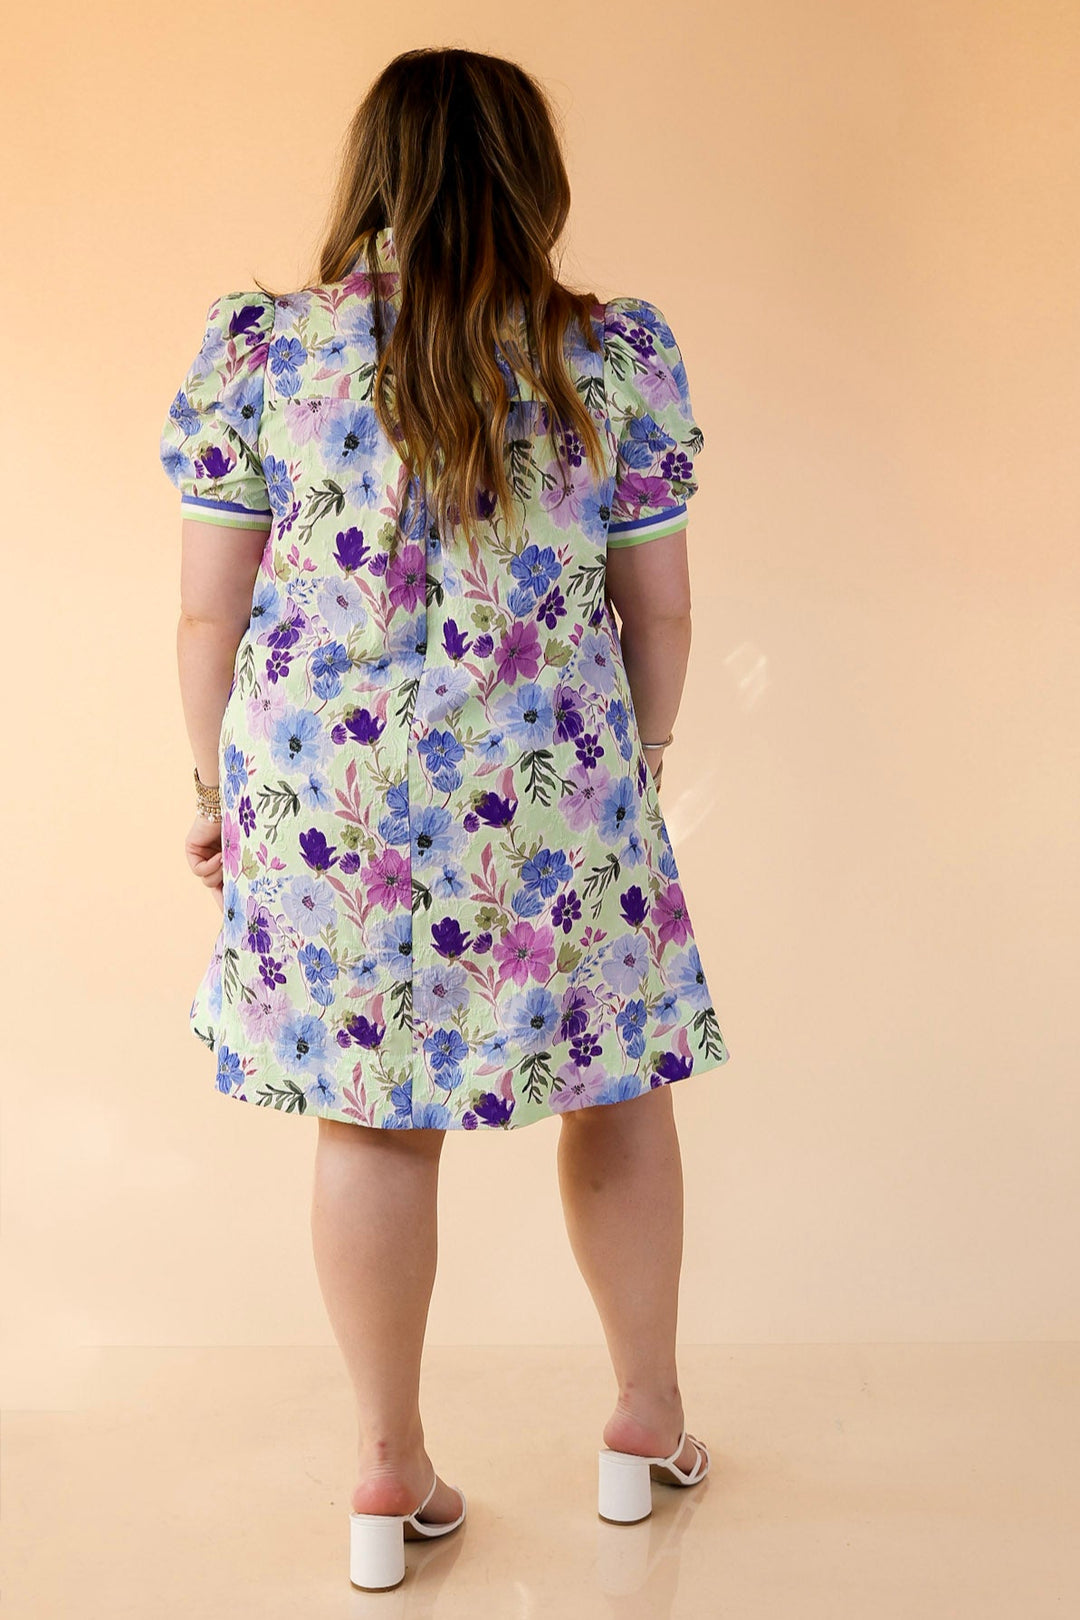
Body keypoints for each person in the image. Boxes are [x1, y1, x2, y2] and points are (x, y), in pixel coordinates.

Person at [159, 45, 731, 1591]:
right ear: (532, 177)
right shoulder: (609, 355)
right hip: (556, 780)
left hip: (328, 799)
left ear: (374, 171)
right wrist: (641, 763)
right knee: (617, 1088)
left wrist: (216, 792)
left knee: (372, 1111)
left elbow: (210, 616)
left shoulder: (264, 353)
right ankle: (645, 1419)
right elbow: (661, 613)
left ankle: (384, 1464)